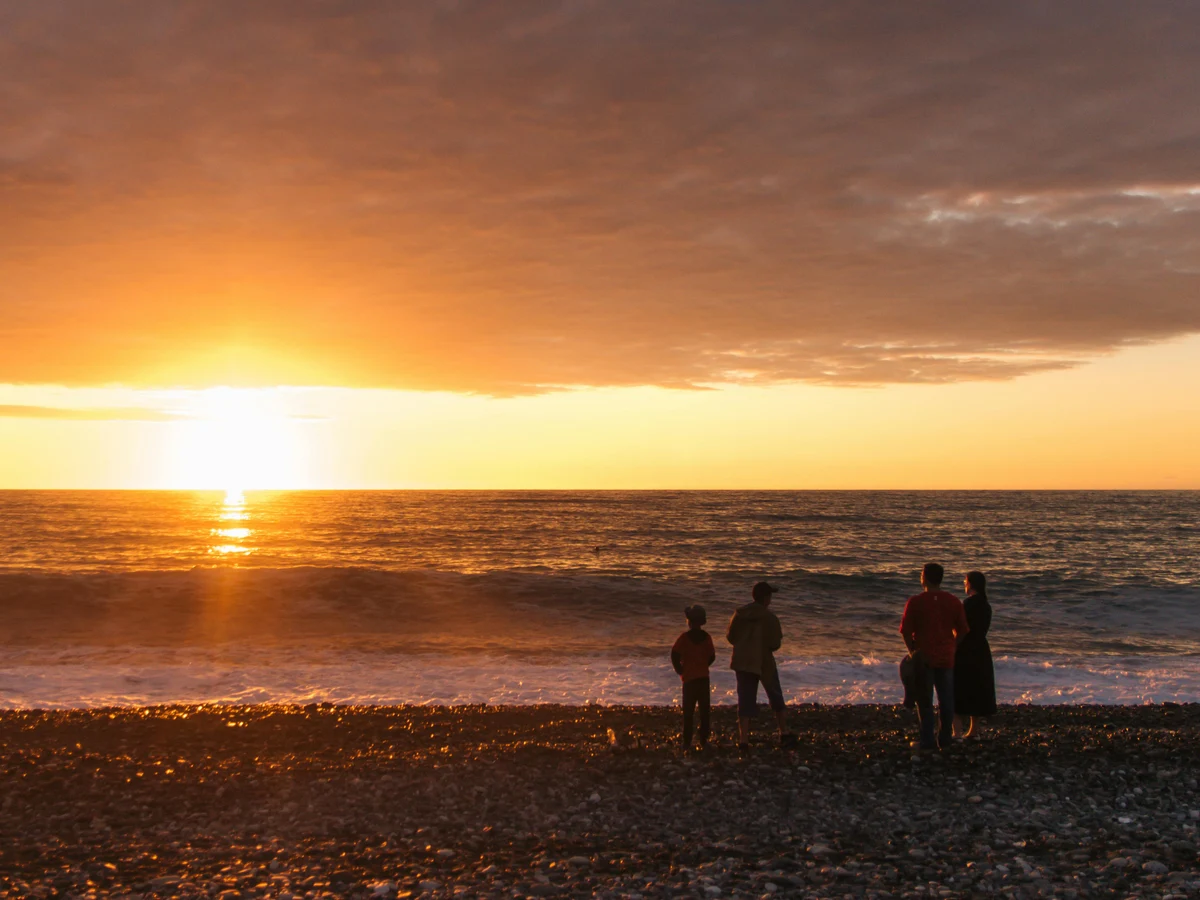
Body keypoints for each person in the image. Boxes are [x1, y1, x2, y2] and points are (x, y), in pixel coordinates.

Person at [899, 563, 969, 751]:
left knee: (925, 701)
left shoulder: (916, 602)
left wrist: (912, 650)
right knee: (946, 700)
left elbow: (906, 631)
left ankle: (927, 740)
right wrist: (953, 645)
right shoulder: (953, 601)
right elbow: (962, 630)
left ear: (925, 578)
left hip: (924, 657)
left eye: (921, 574)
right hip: (946, 656)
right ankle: (945, 738)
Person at [727, 582, 793, 752]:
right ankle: (783, 732)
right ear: (766, 598)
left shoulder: (739, 614)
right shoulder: (769, 617)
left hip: (742, 660)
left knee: (745, 700)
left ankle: (743, 740)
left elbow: (731, 637)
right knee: (775, 695)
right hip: (763, 660)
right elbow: (775, 643)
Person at [954, 571, 996, 738]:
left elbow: (961, 628)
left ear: (970, 584)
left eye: (965, 582)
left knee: (958, 689)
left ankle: (956, 731)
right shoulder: (986, 605)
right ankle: (973, 729)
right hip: (981, 648)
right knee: (977, 688)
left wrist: (953, 645)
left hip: (965, 648)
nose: (964, 585)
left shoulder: (967, 604)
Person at [671, 605, 716, 750]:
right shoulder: (707, 637)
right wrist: (703, 664)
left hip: (689, 679)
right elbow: (712, 656)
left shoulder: (684, 638)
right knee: (704, 711)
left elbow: (674, 654)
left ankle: (687, 741)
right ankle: (703, 740)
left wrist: (680, 669)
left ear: (689, 621)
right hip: (703, 677)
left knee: (688, 712)